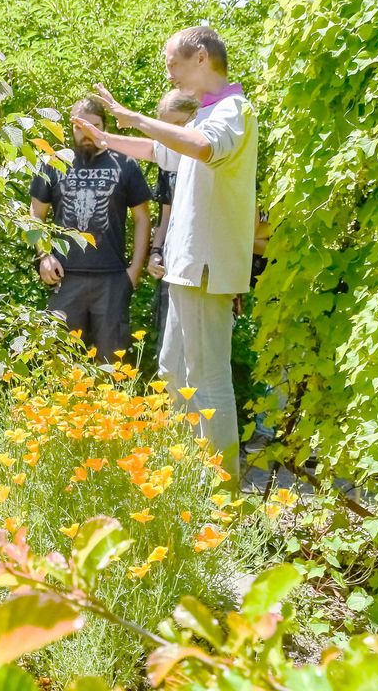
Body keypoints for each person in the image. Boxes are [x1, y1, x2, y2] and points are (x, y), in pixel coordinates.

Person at [75, 25, 258, 481]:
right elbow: (162, 152)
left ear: (200, 58)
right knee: (173, 371)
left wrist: (133, 116)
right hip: (184, 268)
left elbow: (201, 147)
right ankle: (181, 476)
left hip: (206, 268)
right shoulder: (203, 114)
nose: (169, 74)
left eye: (172, 63)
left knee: (206, 378)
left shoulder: (233, 109)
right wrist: (106, 139)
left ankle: (221, 494)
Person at [30, 97, 152, 361]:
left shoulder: (125, 164)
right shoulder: (53, 163)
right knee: (60, 361)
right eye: (79, 127)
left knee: (114, 364)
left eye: (94, 126)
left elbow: (143, 217)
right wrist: (44, 256)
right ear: (70, 128)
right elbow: (35, 215)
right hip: (65, 279)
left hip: (112, 278)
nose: (86, 133)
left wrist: (134, 271)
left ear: (104, 126)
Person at [147, 90, 199, 351]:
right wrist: (155, 253)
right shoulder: (167, 159)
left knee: (198, 350)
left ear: (196, 115)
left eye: (180, 124)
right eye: (167, 127)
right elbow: (165, 215)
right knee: (168, 353)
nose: (174, 134)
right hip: (171, 264)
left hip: (202, 267)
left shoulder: (210, 156)